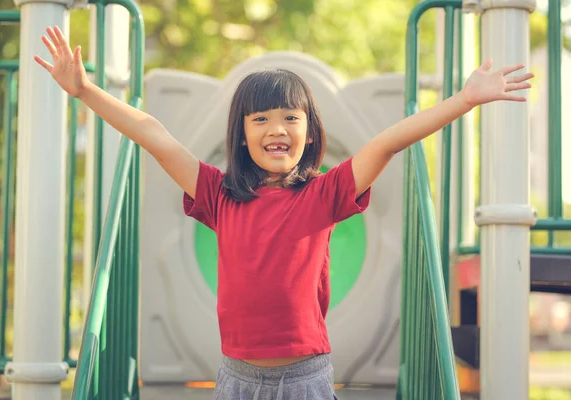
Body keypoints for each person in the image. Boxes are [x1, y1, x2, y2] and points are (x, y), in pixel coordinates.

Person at [35, 26, 533, 400]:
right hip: (236, 376)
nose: (278, 128)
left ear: (310, 131)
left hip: (306, 378)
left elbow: (388, 142)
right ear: (243, 134)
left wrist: (465, 100)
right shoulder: (219, 195)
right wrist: (85, 92)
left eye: (291, 117)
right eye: (262, 119)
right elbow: (155, 136)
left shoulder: (323, 194)